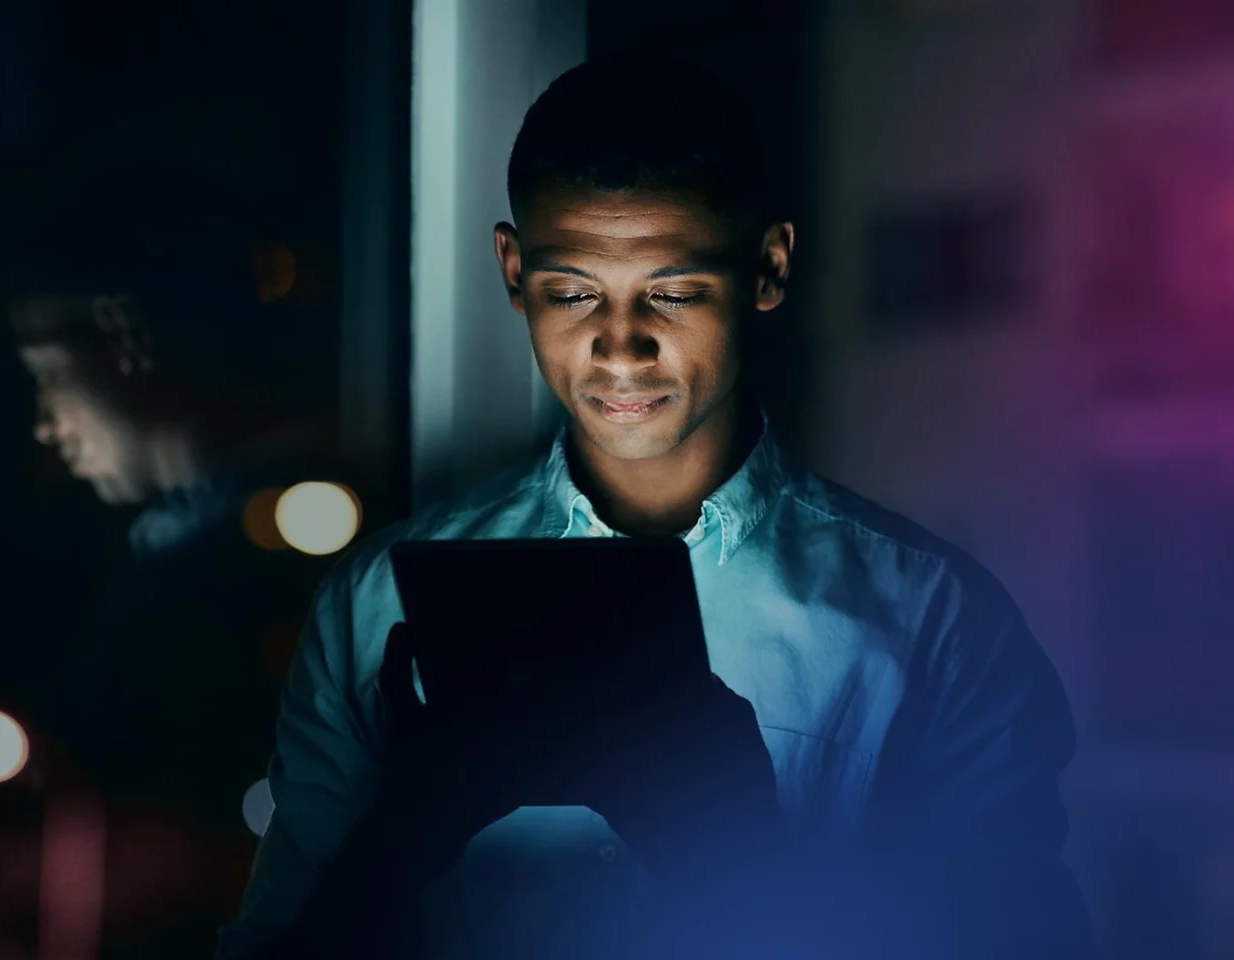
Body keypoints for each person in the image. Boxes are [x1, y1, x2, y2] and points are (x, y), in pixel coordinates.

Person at [217, 58, 1094, 959]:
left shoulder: (932, 624)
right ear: (512, 272)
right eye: (572, 292)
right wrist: (404, 837)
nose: (621, 346)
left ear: (769, 266)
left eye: (673, 293)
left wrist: (736, 851)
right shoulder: (375, 609)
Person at [4, 234, 349, 955]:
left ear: (120, 336)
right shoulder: (199, 543)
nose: (45, 424)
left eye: (51, 376)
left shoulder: (278, 546)